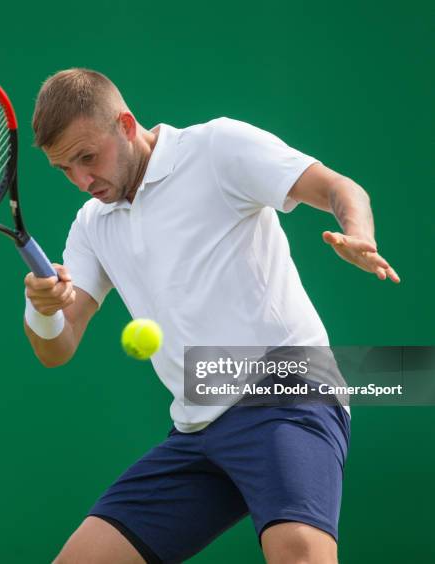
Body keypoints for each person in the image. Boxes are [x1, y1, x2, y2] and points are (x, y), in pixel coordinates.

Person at [23, 68, 399, 564]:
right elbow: (59, 346)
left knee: (301, 555)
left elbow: (340, 188)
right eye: (65, 169)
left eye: (87, 158)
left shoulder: (217, 149)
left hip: (287, 394)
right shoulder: (92, 225)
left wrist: (359, 233)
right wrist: (43, 308)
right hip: (198, 430)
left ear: (126, 124)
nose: (82, 180)